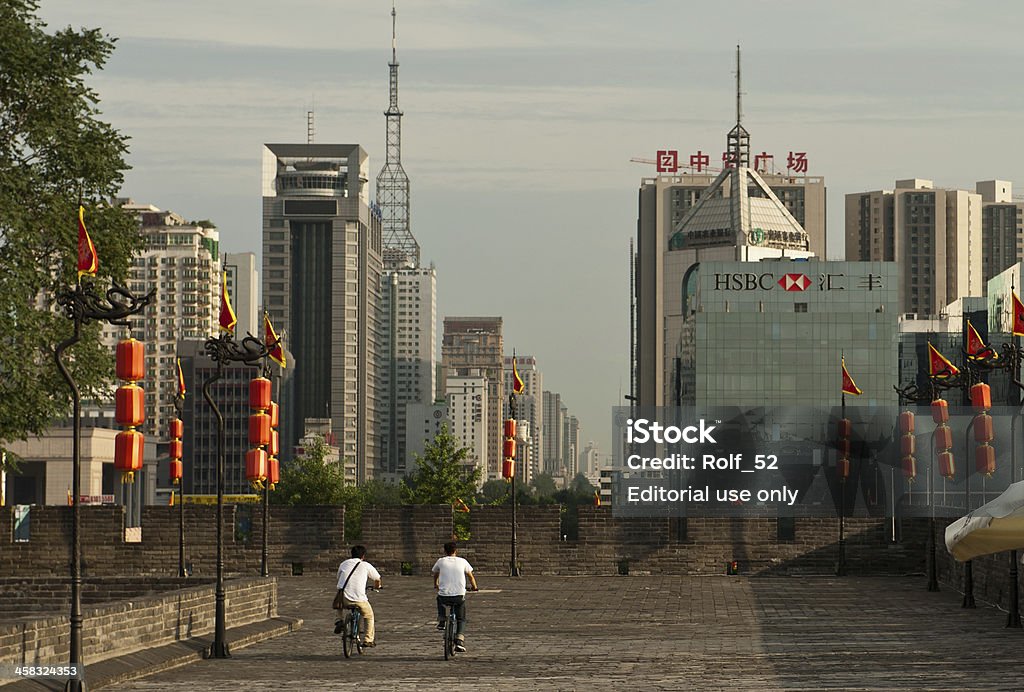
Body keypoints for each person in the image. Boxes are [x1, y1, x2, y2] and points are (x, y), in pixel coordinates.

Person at [432, 541, 477, 653]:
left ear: (445, 551)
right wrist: (475, 587)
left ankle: (442, 619)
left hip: (444, 596)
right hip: (458, 596)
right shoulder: (462, 561)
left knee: (439, 598)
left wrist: (436, 584)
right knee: (461, 618)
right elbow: (470, 576)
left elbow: (435, 573)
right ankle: (459, 640)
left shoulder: (440, 561)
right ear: (456, 551)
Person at [334, 545, 382, 646]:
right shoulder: (366, 565)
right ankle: (368, 640)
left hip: (344, 598)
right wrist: (377, 587)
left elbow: (338, 577)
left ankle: (339, 620)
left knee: (339, 603)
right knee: (369, 616)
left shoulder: (344, 564)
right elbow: (377, 578)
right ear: (363, 556)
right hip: (359, 599)